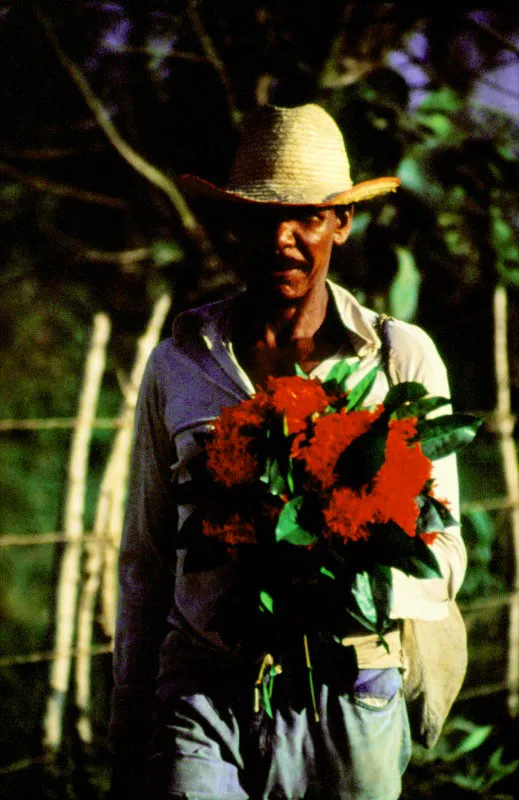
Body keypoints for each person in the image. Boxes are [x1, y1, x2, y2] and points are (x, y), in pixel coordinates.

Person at [109, 103, 466, 799]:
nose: (283, 238)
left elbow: (443, 551)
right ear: (233, 225)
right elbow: (147, 557)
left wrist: (339, 546)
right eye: (260, 218)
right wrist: (129, 722)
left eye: (305, 215)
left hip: (350, 684)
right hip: (204, 684)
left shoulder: (398, 358)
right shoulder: (179, 361)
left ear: (341, 222)